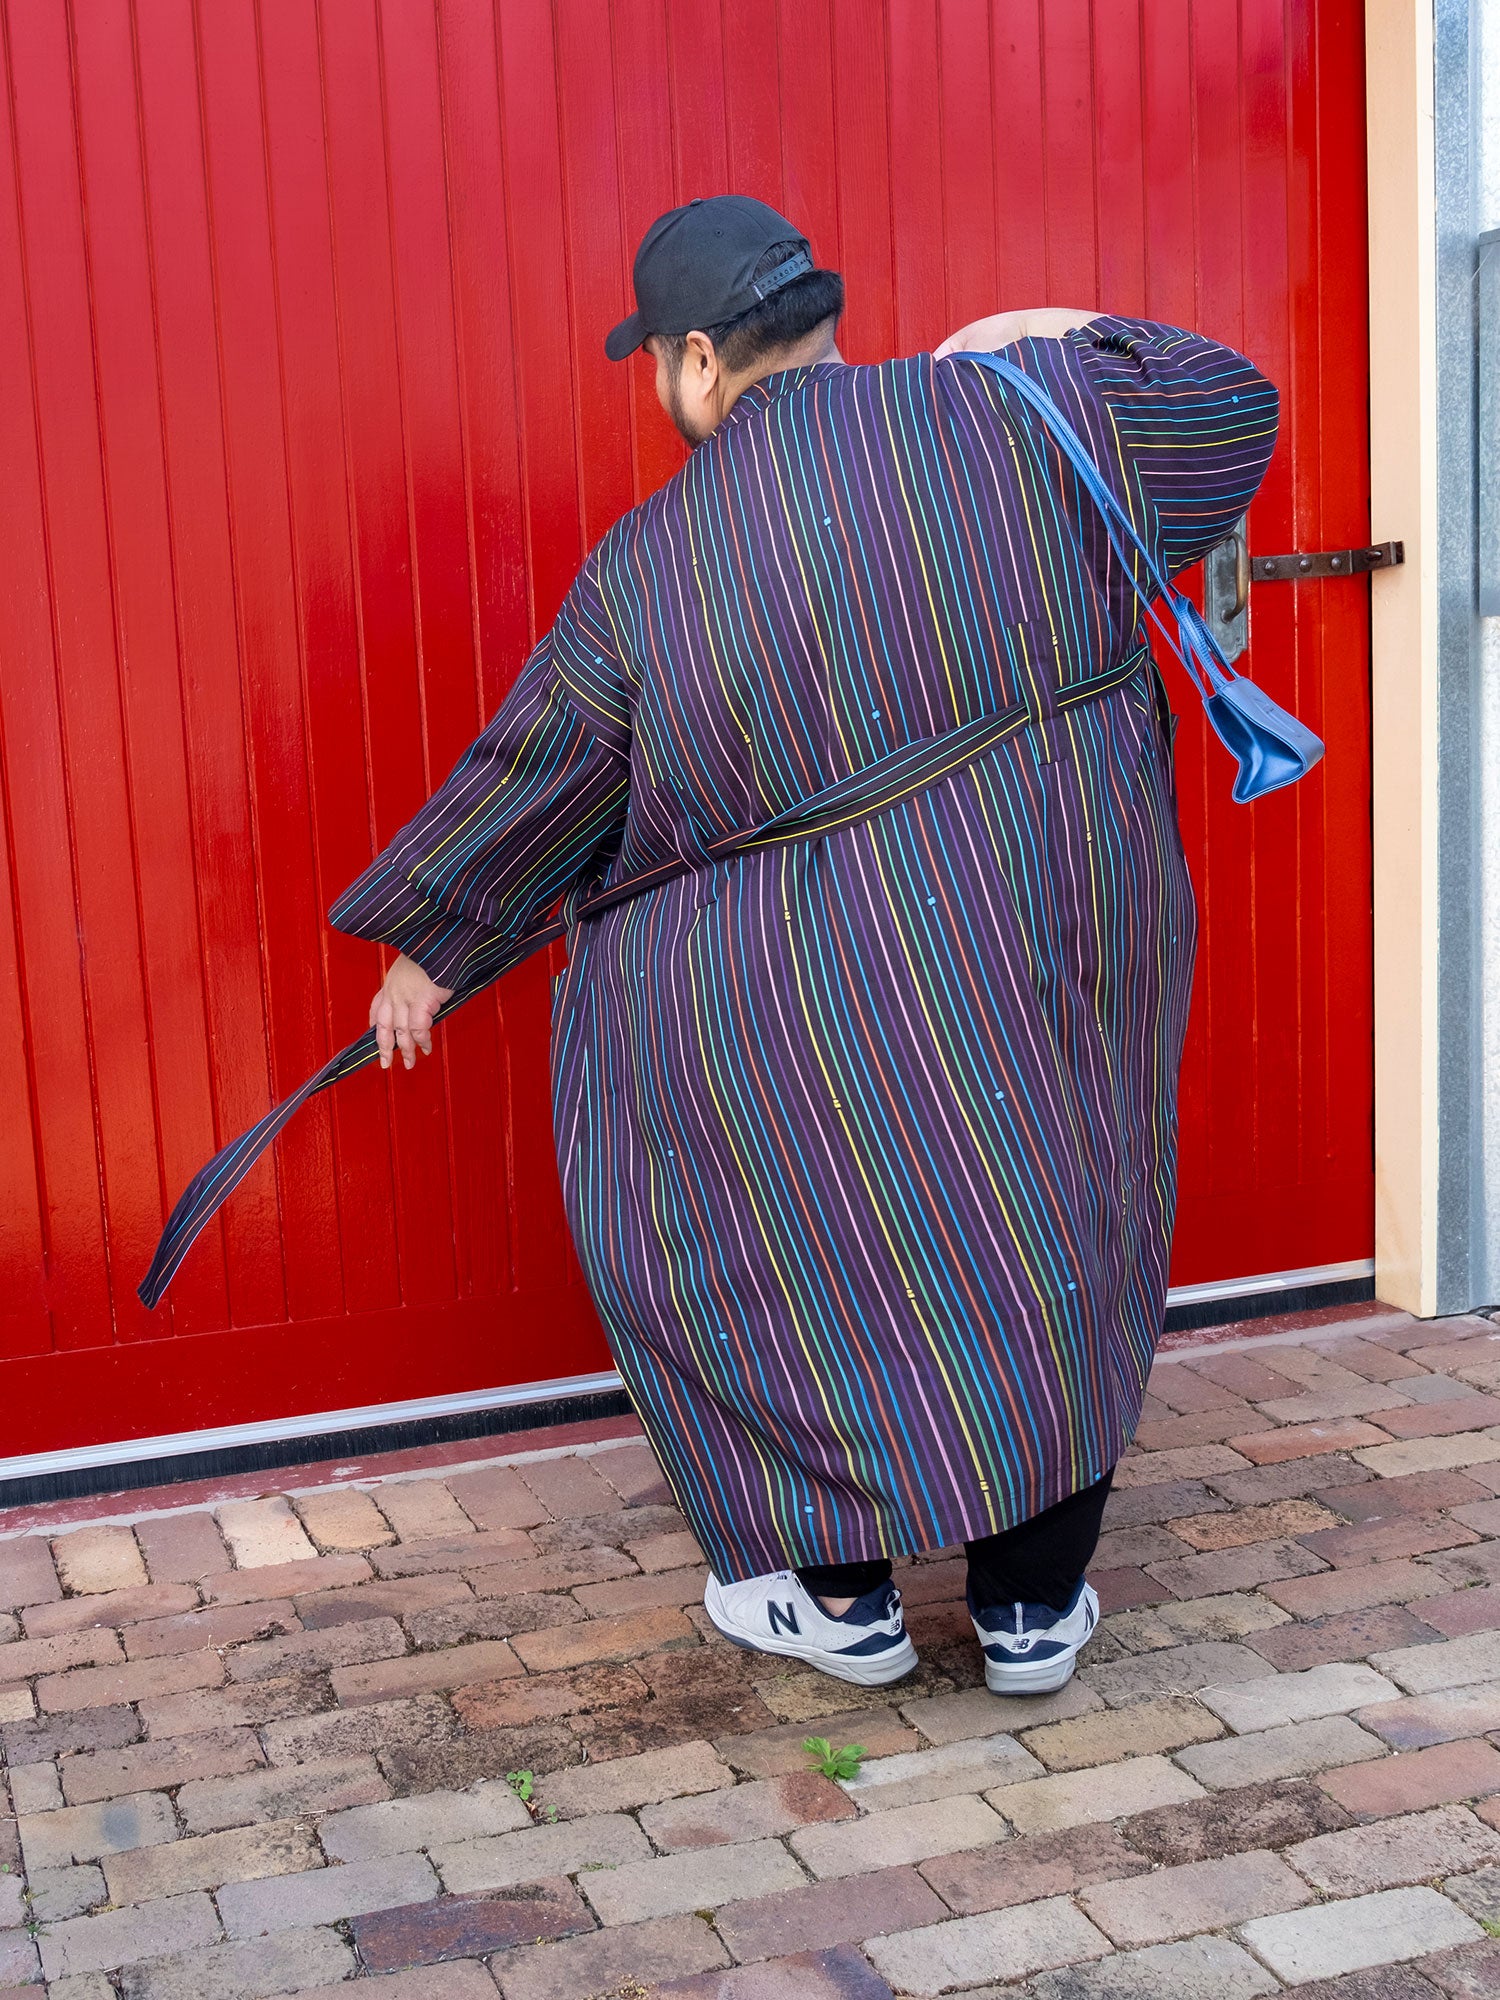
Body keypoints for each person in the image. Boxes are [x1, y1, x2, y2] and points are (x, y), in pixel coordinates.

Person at [332, 194, 1278, 1695]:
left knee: (787, 1247)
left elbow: (548, 767)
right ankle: (1034, 1609)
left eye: (656, 360)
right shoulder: (1029, 416)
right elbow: (1235, 403)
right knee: (1053, 1224)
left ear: (701, 360)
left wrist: (427, 955)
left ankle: (846, 1607)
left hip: (794, 1000)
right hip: (1042, 937)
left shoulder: (652, 561)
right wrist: (1053, 331)